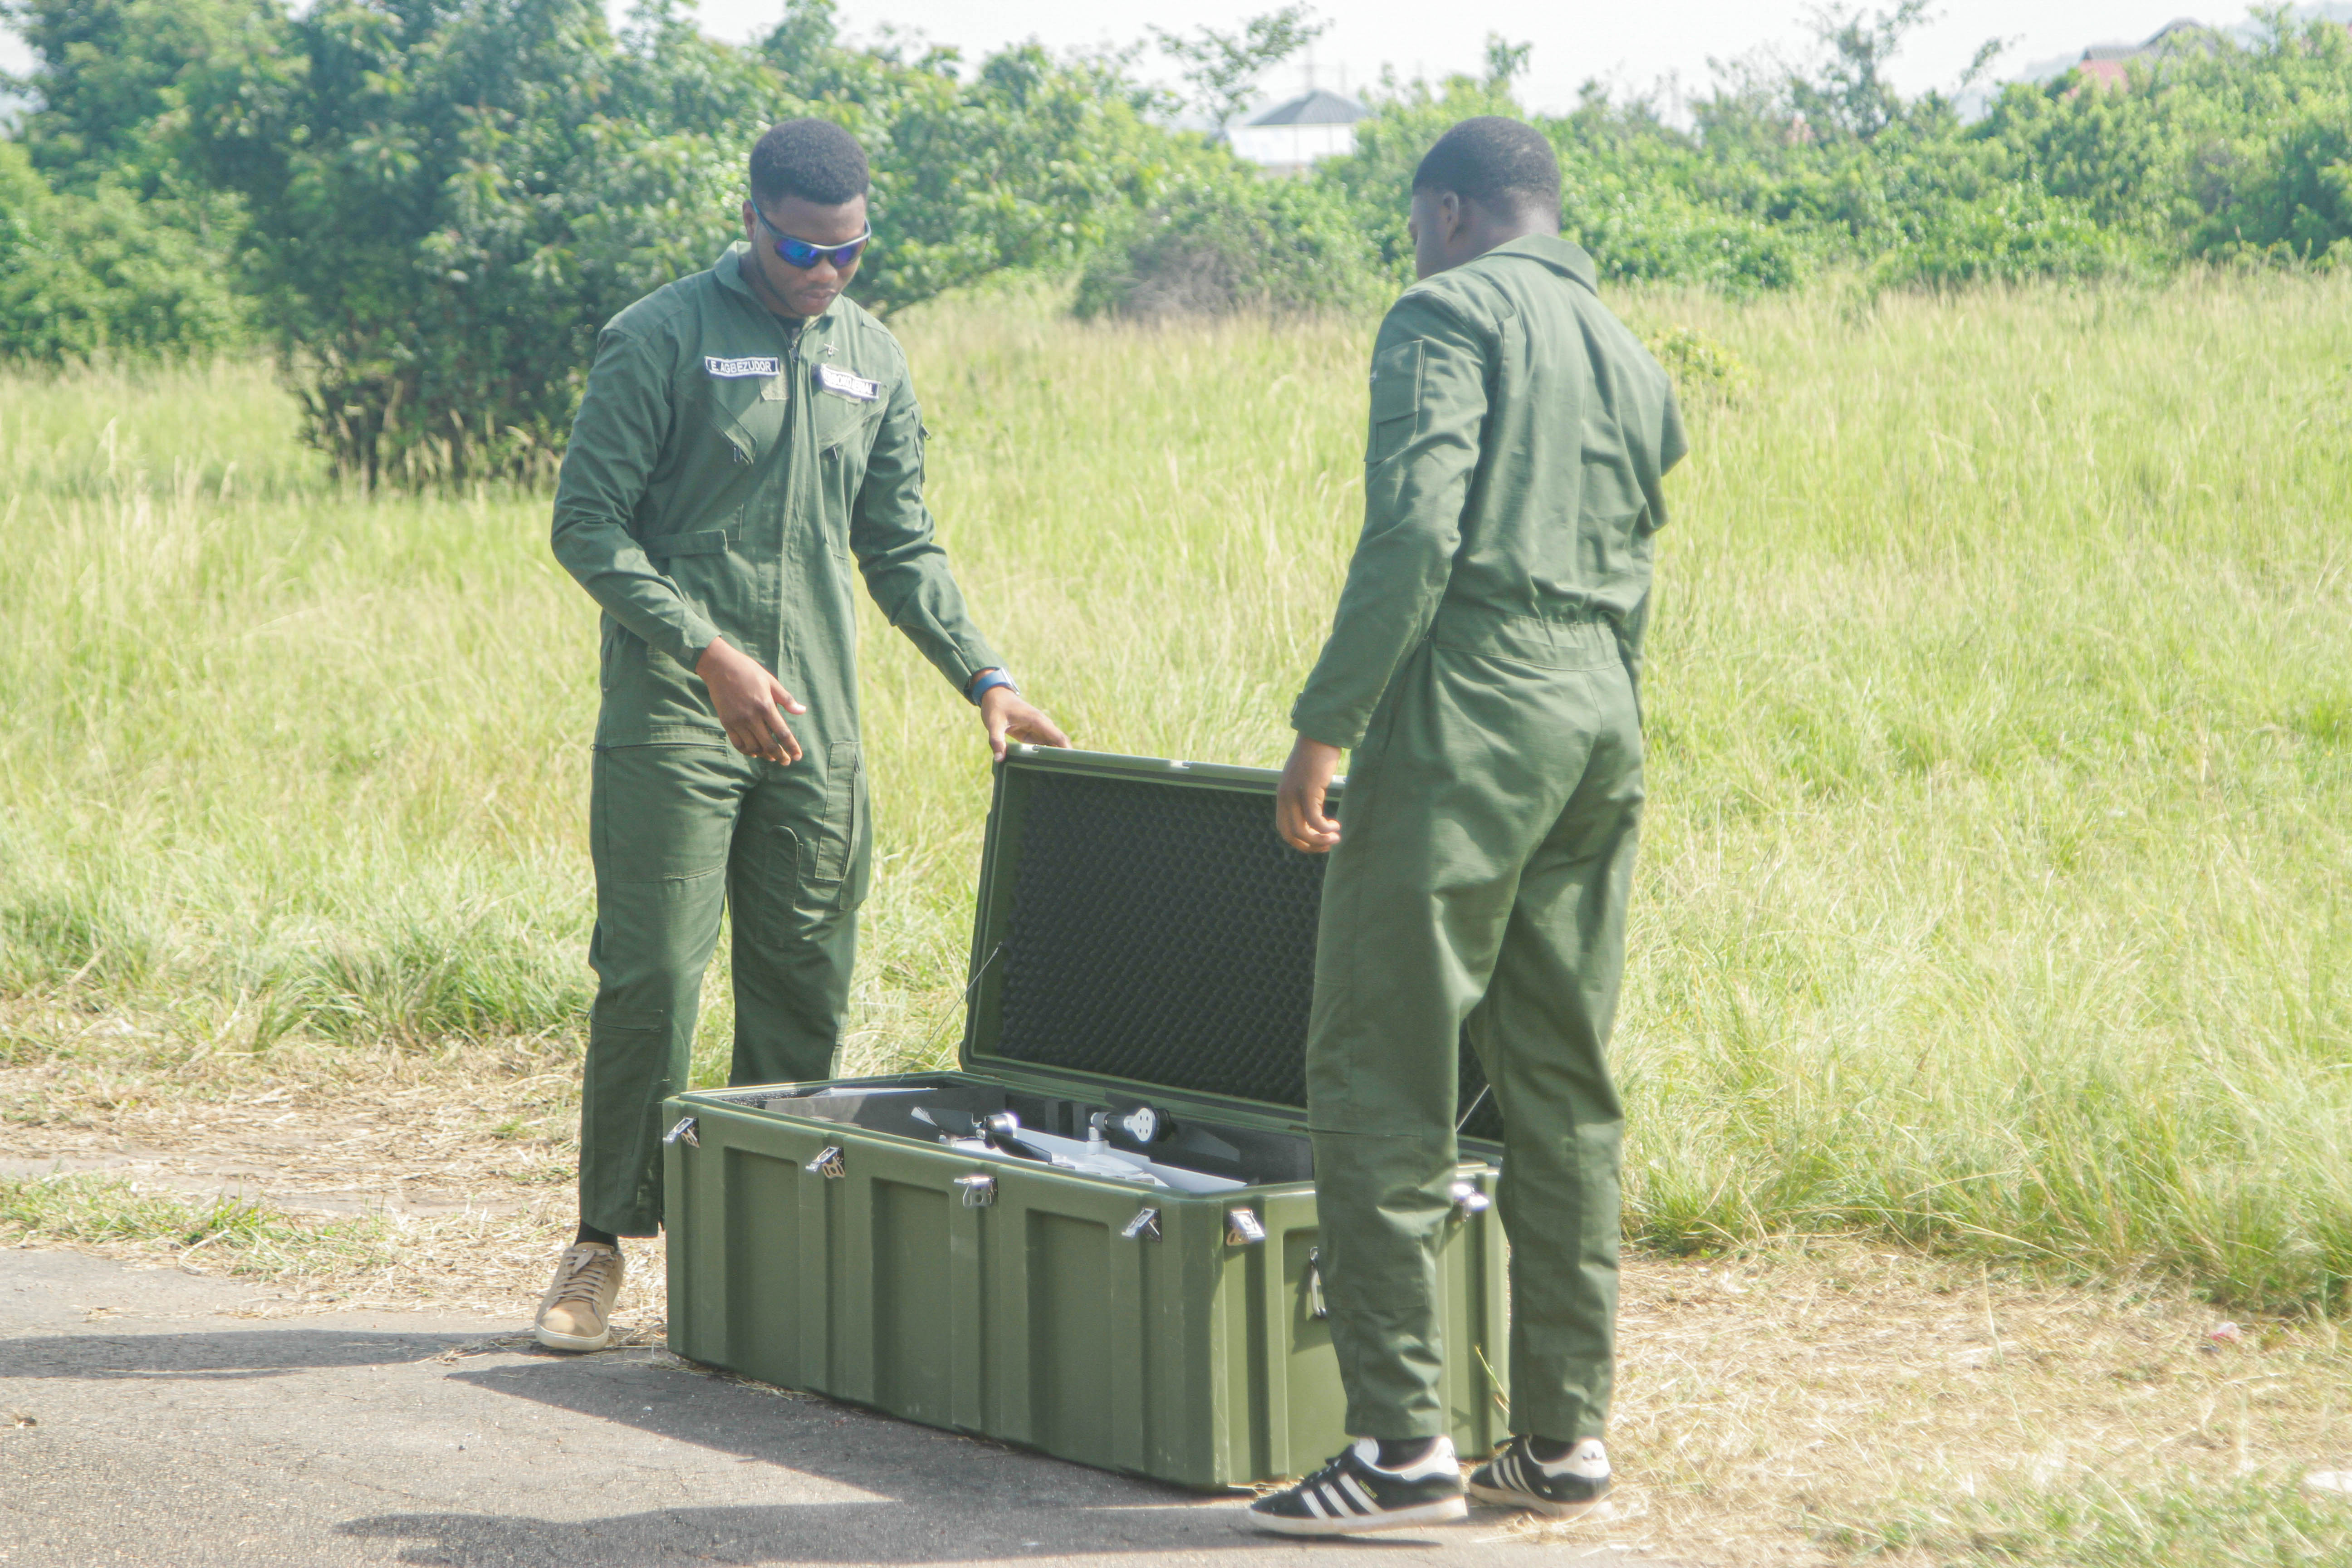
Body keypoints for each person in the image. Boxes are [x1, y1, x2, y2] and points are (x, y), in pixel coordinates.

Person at [538, 118, 1069, 1352]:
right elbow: (587, 527)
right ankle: (602, 1246)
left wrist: (982, 675)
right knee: (653, 975)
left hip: (813, 718)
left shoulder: (873, 358)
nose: (824, 274)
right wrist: (706, 650)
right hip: (681, 702)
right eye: (799, 249)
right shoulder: (660, 338)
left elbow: (900, 543)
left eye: (849, 254)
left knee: (802, 982)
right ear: (751, 219)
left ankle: (759, 1266)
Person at [1254, 117, 1685, 1535]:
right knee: (1562, 1081)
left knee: (1383, 1061)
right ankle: (1562, 1440)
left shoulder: (1442, 312)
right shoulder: (1631, 350)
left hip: (1471, 700)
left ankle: (1398, 1449)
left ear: (1445, 214)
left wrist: (1329, 721)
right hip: (1602, 712)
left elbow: (1418, 531)